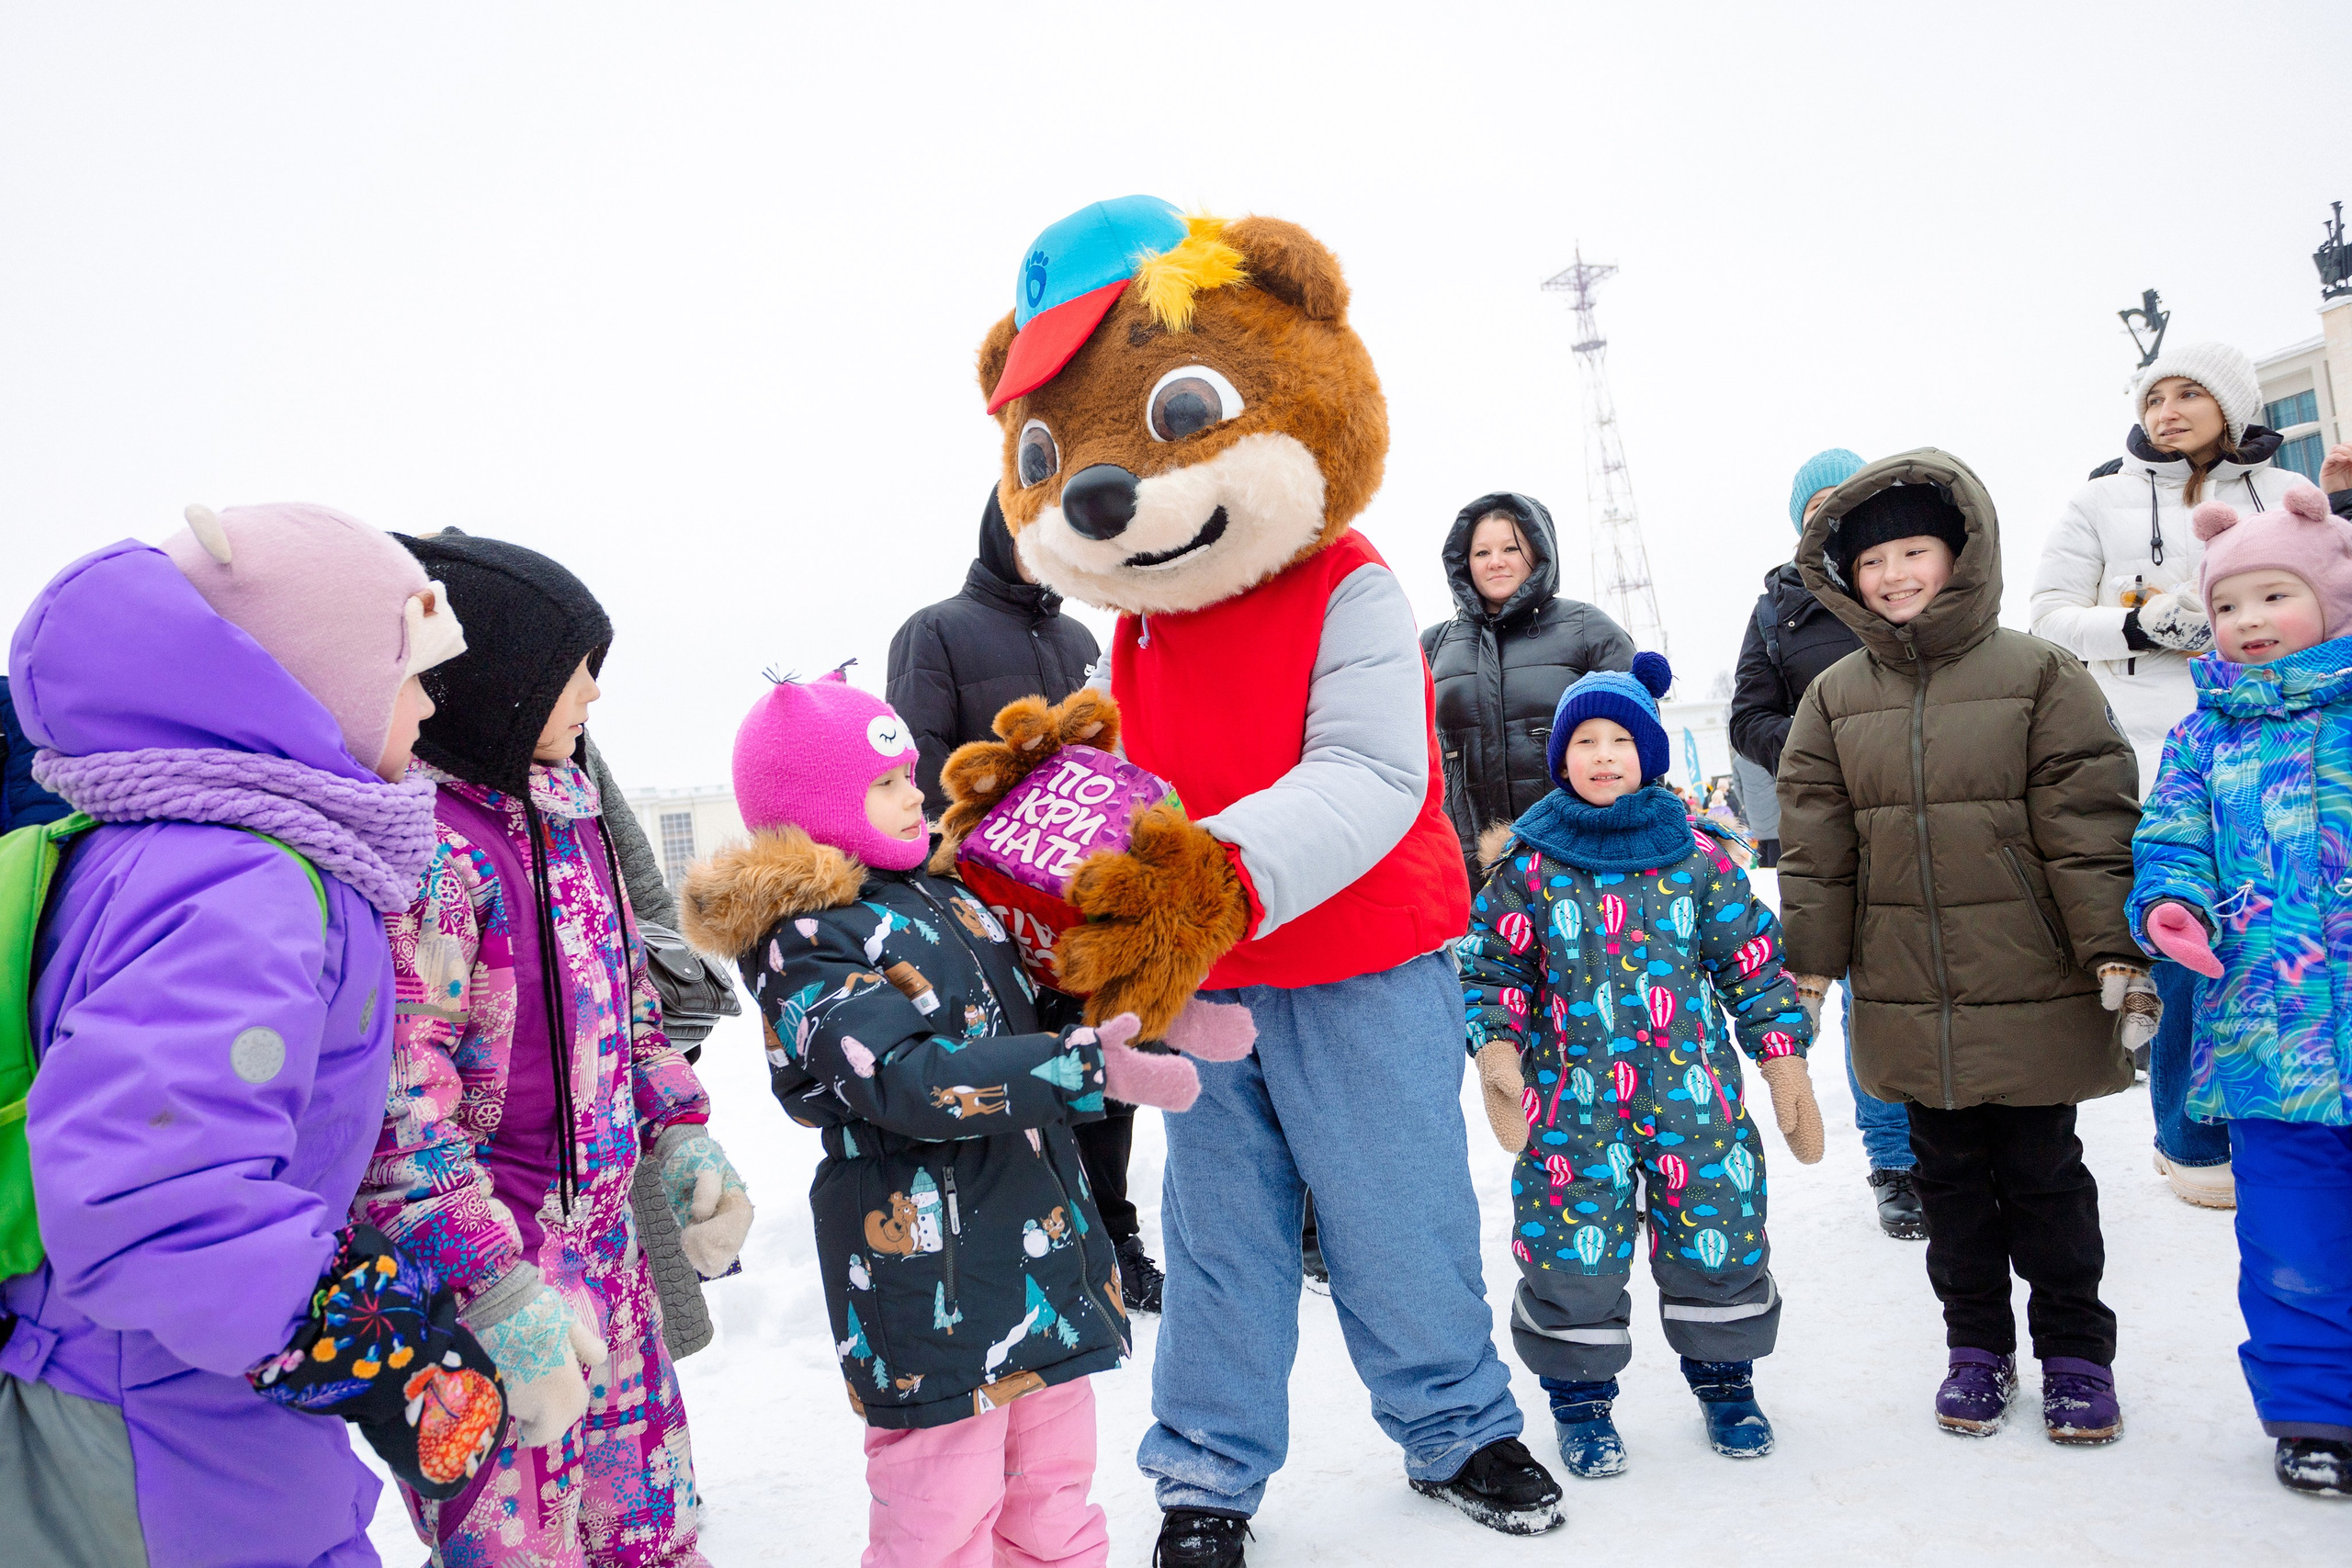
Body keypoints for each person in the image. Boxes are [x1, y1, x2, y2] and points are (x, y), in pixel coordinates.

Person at [3, 505, 503, 1567]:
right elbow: (150, 1194)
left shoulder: (216, 855)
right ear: (310, 689)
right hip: (155, 1439)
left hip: (197, 1405)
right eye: (410, 671)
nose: (428, 704)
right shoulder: (238, 881)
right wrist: (375, 1346)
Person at [680, 671, 1207, 1568]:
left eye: (908, 774)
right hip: (927, 1280)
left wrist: (1148, 999)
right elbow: (904, 1079)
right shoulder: (804, 940)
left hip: (1038, 1244)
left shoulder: (949, 896)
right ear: (817, 808)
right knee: (941, 1517)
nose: (911, 792)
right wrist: (1082, 1067)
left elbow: (1028, 1013)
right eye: (883, 784)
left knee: (1054, 1492)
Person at [360, 531, 748, 1566]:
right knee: (518, 1542)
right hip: (495, 1274)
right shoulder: (435, 857)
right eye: (579, 669)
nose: (594, 696)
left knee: (650, 1528)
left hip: (609, 1250)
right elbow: (402, 1104)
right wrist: (491, 1286)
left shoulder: (570, 816)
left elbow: (629, 1003)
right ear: (501, 683)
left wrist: (679, 1133)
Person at [1777, 452, 2156, 1446]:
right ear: (1845, 578)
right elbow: (1817, 852)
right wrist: (1809, 967)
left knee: (2046, 1184)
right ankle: (1975, 1350)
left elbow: (2088, 825)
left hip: (2028, 983)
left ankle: (2076, 1353)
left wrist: (2113, 952)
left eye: (1915, 550)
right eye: (1873, 561)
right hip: (1908, 991)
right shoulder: (1831, 699)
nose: (1895, 573)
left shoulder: (2036, 673)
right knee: (1950, 1196)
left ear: (1961, 555)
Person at [1460, 652, 1822, 1479]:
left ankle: (1726, 1382)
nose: (1602, 755)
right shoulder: (1530, 863)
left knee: (1718, 1235)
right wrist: (1497, 1052)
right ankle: (1581, 1405)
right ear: (1562, 759)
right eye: (1583, 740)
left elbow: (1751, 962)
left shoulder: (1696, 856)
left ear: (1649, 755)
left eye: (1620, 739)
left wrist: (1782, 1059)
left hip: (1694, 1106)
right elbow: (1492, 968)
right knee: (1569, 1256)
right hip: (1571, 1110)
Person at [2029, 344, 2352, 1211]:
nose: (2167, 410)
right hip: (2151, 746)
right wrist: (2142, 624)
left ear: (2233, 405)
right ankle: (2191, 1138)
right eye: (2154, 396)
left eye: (2189, 394)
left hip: (2301, 740)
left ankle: (2311, 1120)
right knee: (2182, 945)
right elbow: (2050, 618)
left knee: (2301, 933)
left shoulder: (2288, 492)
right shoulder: (2100, 498)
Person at [887, 492, 1167, 1317]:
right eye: (1027, 529)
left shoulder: (1082, 636)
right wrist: (981, 864)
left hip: (1085, 900)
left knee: (1105, 1066)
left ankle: (1114, 1240)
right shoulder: (934, 631)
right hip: (992, 901)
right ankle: (1047, 1242)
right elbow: (921, 763)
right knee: (1024, 1069)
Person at [2127, 481, 2352, 1498]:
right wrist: (2173, 908)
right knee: (2289, 1238)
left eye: (2274, 597)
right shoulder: (2202, 737)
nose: (2248, 623)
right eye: (2227, 607)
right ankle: (2315, 1411)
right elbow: (2171, 842)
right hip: (2267, 1040)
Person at [1729, 448, 1922, 1240]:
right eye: (1817, 511)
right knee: (1868, 992)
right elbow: (1747, 715)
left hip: (1926, 806)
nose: (1833, 520)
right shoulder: (1779, 607)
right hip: (1833, 820)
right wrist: (1822, 744)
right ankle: (1896, 1161)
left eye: (1847, 502)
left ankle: (1964, 1145)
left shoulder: (1916, 581)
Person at [1422, 492, 1634, 890]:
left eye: (1510, 548)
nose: (1495, 561)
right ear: (1463, 562)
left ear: (1537, 553)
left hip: (1578, 854)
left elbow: (1638, 743)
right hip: (1466, 867)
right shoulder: (1434, 646)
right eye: (1482, 552)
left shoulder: (1588, 629)